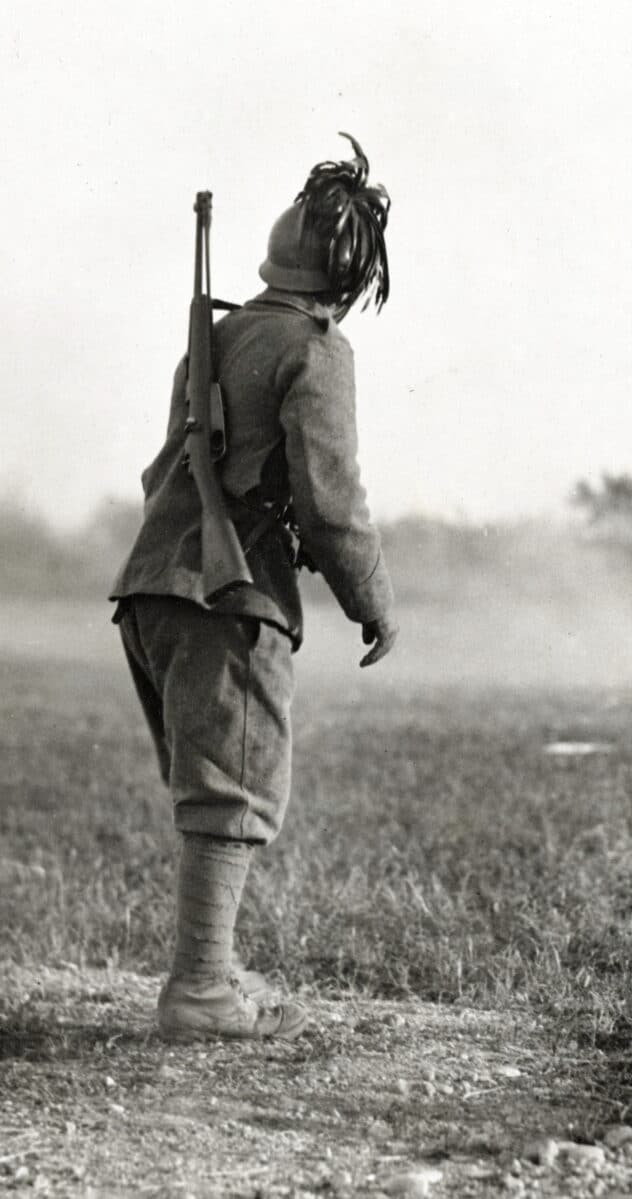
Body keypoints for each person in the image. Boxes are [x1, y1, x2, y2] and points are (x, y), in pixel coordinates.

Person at [109, 134, 398, 1041]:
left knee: (209, 782)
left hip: (155, 587)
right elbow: (332, 496)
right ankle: (200, 990)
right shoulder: (317, 349)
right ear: (349, 280)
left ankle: (210, 970)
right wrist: (373, 602)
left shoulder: (221, 335)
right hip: (229, 596)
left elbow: (169, 472)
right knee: (232, 788)